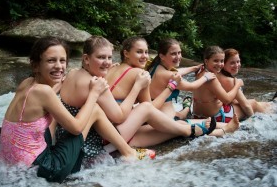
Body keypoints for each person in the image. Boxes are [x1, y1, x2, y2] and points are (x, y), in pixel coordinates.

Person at [0, 36, 149, 184]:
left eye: (62, 61)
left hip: (14, 163)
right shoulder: (44, 93)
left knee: (57, 113)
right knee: (93, 108)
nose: (59, 66)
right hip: (47, 169)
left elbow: (51, 91)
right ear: (36, 65)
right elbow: (76, 129)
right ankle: (129, 152)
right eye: (51, 61)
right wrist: (94, 94)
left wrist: (63, 79)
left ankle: (126, 150)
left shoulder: (27, 83)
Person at [59, 35, 238, 156]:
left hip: (86, 137)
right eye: (140, 52)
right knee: (168, 125)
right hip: (100, 140)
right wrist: (143, 88)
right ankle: (196, 129)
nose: (107, 63)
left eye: (108, 58)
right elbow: (148, 109)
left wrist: (191, 68)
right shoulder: (127, 77)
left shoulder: (75, 73)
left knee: (165, 124)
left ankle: (218, 128)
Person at [146, 38, 217, 120]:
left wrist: (194, 68)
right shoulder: (168, 75)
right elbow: (191, 86)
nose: (178, 57)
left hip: (157, 114)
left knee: (181, 116)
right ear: (162, 56)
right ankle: (186, 108)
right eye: (173, 54)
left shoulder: (156, 67)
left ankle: (185, 110)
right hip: (166, 119)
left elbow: (177, 72)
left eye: (179, 53)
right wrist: (206, 77)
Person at [192, 46, 245, 122]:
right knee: (252, 104)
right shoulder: (211, 78)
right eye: (216, 61)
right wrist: (237, 84)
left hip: (197, 116)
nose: (219, 64)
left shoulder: (200, 71)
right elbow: (226, 100)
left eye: (222, 61)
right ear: (206, 61)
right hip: (215, 118)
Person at [217, 48, 272, 117]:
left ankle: (271, 106)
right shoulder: (229, 81)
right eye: (232, 63)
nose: (237, 65)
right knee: (253, 103)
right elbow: (246, 106)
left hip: (219, 110)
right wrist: (253, 120)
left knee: (265, 104)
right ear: (223, 64)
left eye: (238, 61)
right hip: (223, 114)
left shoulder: (217, 74)